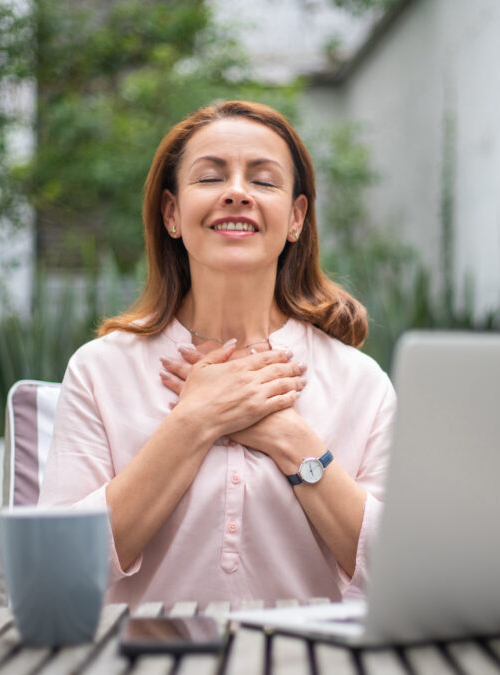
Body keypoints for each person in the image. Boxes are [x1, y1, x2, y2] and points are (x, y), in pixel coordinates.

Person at [38, 100, 396, 608]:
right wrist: (196, 420)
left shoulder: (361, 383)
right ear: (171, 214)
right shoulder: (100, 369)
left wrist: (289, 438)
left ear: (296, 218)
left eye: (264, 180)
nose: (236, 193)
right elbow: (53, 573)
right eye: (210, 178)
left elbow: (404, 573)